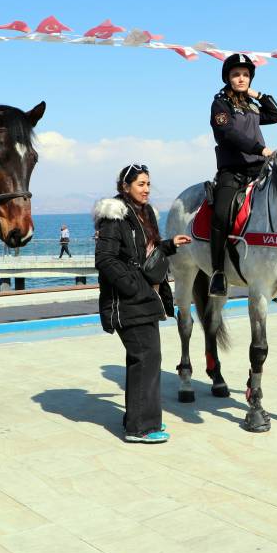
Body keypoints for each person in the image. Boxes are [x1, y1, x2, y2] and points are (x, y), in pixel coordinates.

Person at [94, 164, 191, 443]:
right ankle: (140, 428)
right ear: (125, 187)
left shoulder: (145, 213)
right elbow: (105, 259)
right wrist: (132, 286)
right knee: (146, 356)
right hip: (128, 299)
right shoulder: (114, 217)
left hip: (147, 296)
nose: (146, 189)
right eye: (140, 184)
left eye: (148, 183)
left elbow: (148, 251)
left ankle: (137, 420)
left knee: (147, 358)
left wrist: (169, 244)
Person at [208, 53, 277, 296]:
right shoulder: (221, 104)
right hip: (233, 171)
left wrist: (258, 95)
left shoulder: (250, 104)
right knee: (220, 215)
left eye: (245, 75)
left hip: (259, 169)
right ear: (227, 78)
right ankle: (218, 272)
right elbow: (229, 134)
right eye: (235, 74)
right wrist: (260, 149)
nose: (241, 79)